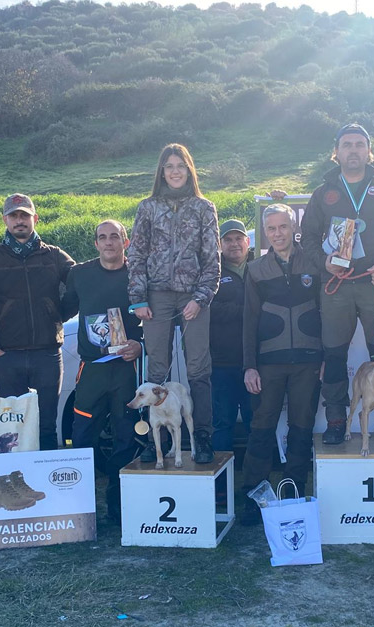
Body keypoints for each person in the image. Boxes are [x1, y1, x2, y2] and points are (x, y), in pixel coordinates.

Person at [299, 123, 374, 446]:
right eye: (347, 145)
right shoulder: (323, 193)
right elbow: (307, 239)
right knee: (334, 355)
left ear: (369, 151)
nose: (353, 150)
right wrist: (325, 262)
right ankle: (336, 421)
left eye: (360, 144)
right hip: (336, 285)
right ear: (336, 152)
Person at [127, 144, 220, 462]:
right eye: (169, 166)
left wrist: (201, 297)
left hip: (194, 296)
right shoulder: (148, 207)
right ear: (162, 172)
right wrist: (138, 298)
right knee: (156, 369)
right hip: (156, 297)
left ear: (190, 170)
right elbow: (136, 253)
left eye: (181, 165)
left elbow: (212, 258)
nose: (175, 171)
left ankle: (202, 437)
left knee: (199, 368)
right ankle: (158, 441)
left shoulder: (204, 207)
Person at [240, 204, 324, 524]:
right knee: (261, 428)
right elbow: (249, 321)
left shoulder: (315, 262)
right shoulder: (256, 269)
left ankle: (294, 492)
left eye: (283, 227)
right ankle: (254, 496)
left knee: (301, 428)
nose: (278, 234)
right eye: (271, 229)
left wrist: (328, 357)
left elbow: (329, 312)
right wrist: (249, 365)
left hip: (308, 361)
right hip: (268, 364)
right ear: (265, 233)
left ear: (294, 228)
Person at [0, 194, 76, 450]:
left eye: (24, 215)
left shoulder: (54, 255)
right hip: (8, 356)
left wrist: (56, 316)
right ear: (5, 220)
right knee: (14, 427)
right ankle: (17, 472)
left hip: (47, 353)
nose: (19, 221)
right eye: (14, 216)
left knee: (48, 424)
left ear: (35, 218)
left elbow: (80, 284)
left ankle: (49, 472)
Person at [60, 220, 144, 523]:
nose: (109, 242)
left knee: (126, 435)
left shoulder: (138, 275)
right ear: (96, 243)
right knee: (82, 436)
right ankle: (81, 508)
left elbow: (154, 318)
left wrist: (140, 345)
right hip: (92, 371)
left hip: (125, 370)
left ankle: (118, 505)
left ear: (126, 242)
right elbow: (62, 311)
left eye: (115, 237)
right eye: (102, 237)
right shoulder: (80, 274)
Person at [210, 218, 253, 465]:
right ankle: (220, 480)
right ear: (220, 244)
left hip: (255, 363)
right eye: (228, 239)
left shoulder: (260, 267)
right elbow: (209, 309)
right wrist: (245, 309)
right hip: (222, 362)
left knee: (255, 422)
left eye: (238, 239)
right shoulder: (211, 272)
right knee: (222, 423)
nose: (234, 244)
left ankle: (255, 478)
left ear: (247, 242)